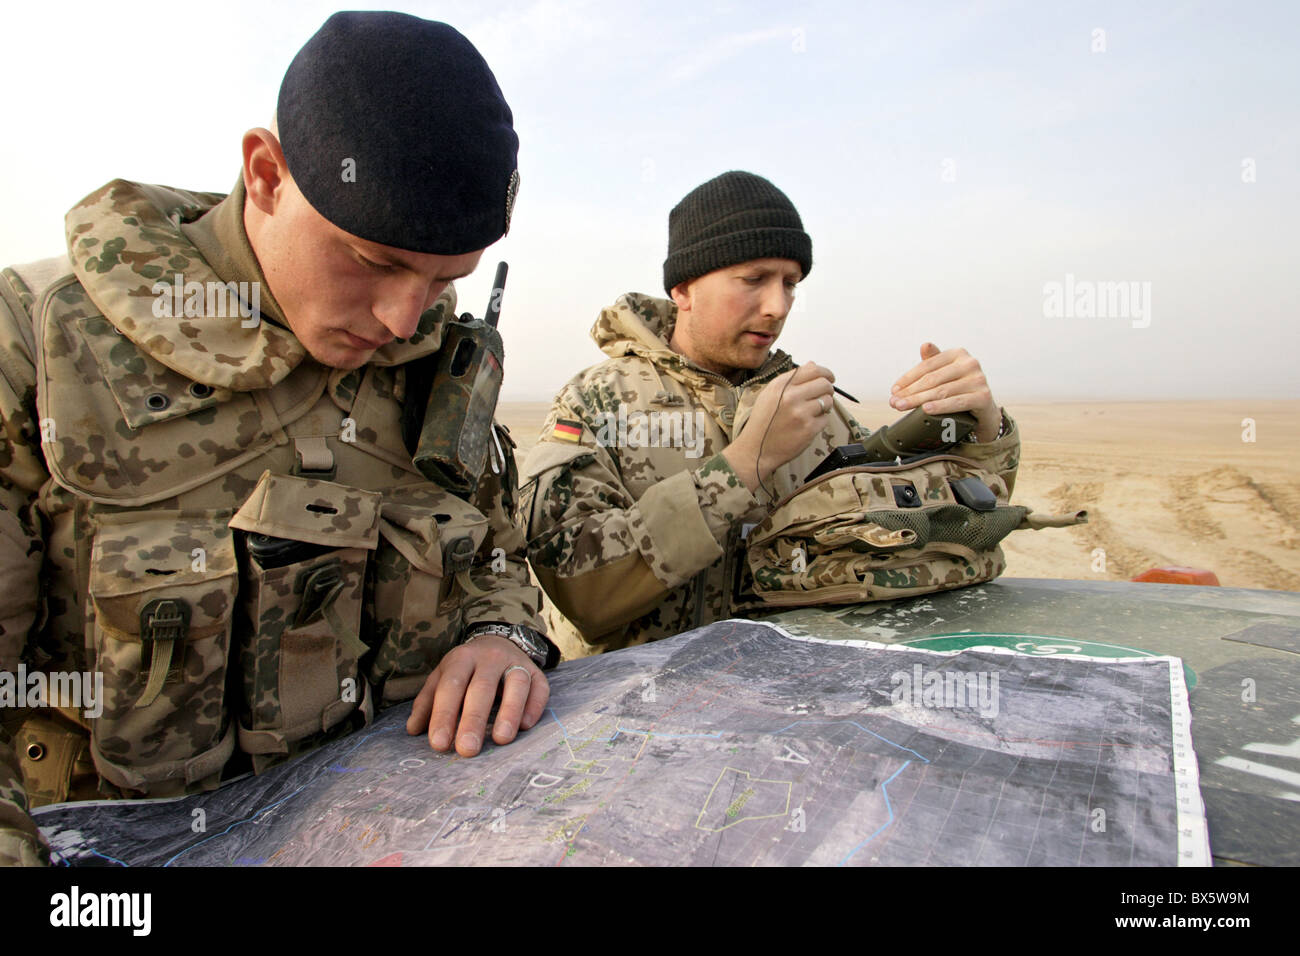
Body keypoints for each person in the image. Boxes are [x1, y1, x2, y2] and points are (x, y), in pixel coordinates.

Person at [0, 11, 557, 867]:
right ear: (266, 173)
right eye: (373, 262)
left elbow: (494, 559)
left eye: (447, 279)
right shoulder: (33, 346)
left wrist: (503, 637)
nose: (401, 316)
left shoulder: (438, 367)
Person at [521, 170, 1020, 658]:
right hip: (630, 721)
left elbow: (953, 530)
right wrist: (742, 467)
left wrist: (982, 426)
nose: (778, 306)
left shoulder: (815, 409)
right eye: (754, 279)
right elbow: (581, 594)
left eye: (791, 283)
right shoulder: (596, 404)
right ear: (684, 289)